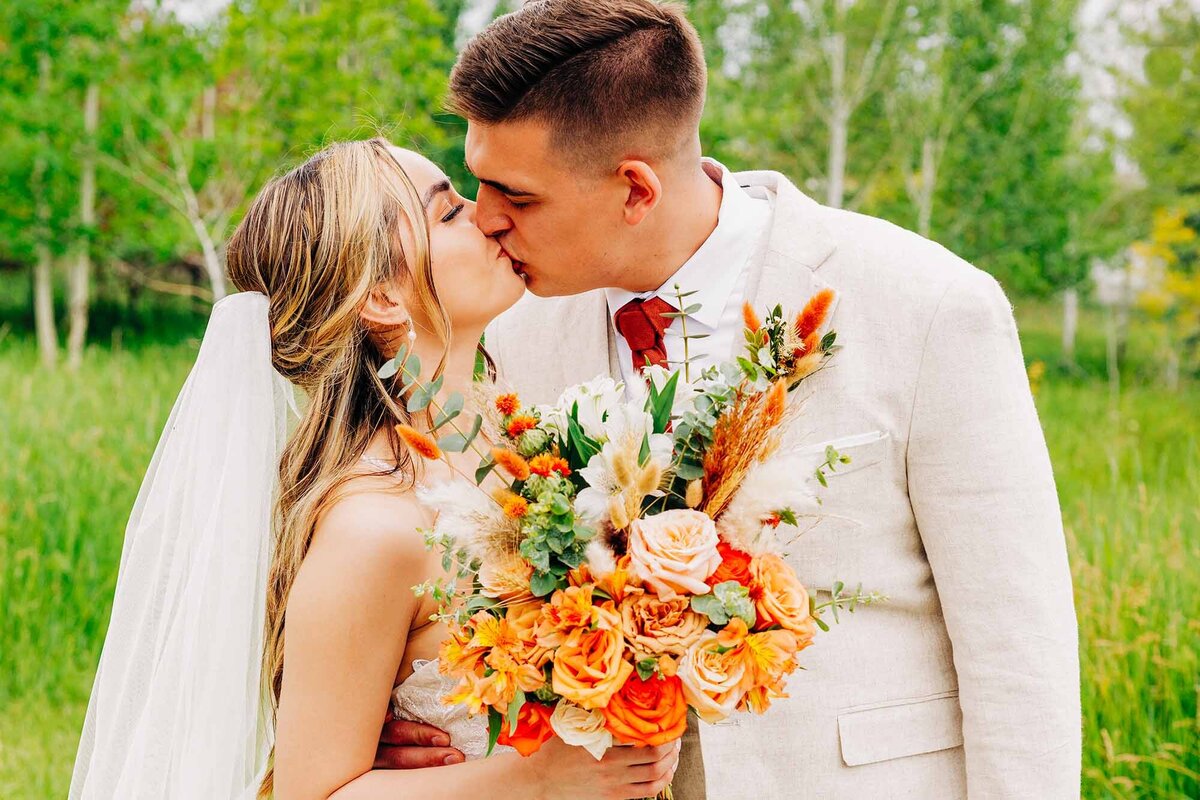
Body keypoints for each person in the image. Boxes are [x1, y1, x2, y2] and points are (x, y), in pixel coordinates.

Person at [411, 1, 1080, 797]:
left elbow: (1018, 643)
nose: (486, 220)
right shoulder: (514, 332)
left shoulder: (929, 306)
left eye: (515, 196)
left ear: (635, 188)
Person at [69, 137, 679, 800]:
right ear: (383, 296)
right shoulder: (376, 526)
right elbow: (314, 793)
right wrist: (535, 779)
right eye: (447, 214)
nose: (490, 215)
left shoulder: (520, 444)